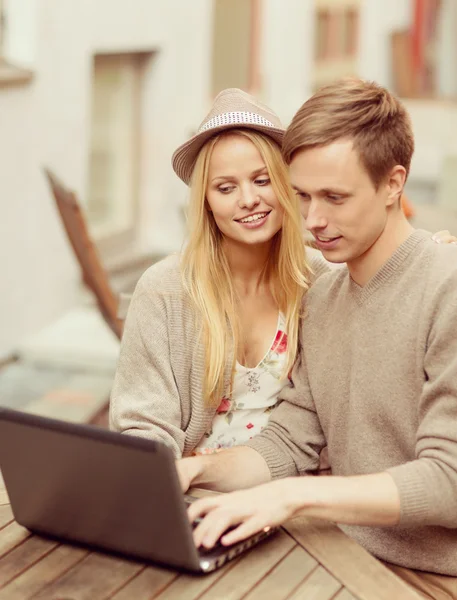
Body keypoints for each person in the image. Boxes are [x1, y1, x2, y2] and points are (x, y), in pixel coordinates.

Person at [179, 79, 457, 599]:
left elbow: (449, 481)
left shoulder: (447, 287)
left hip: (434, 575)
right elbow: (290, 439)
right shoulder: (322, 297)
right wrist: (191, 472)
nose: (313, 221)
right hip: (334, 552)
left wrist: (293, 497)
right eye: (301, 196)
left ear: (395, 183)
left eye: (334, 197)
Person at [110, 88, 325, 457]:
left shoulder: (321, 281)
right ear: (207, 203)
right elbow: (141, 425)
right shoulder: (164, 290)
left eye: (262, 180)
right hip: (193, 493)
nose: (247, 199)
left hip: (292, 493)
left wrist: (430, 252)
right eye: (226, 188)